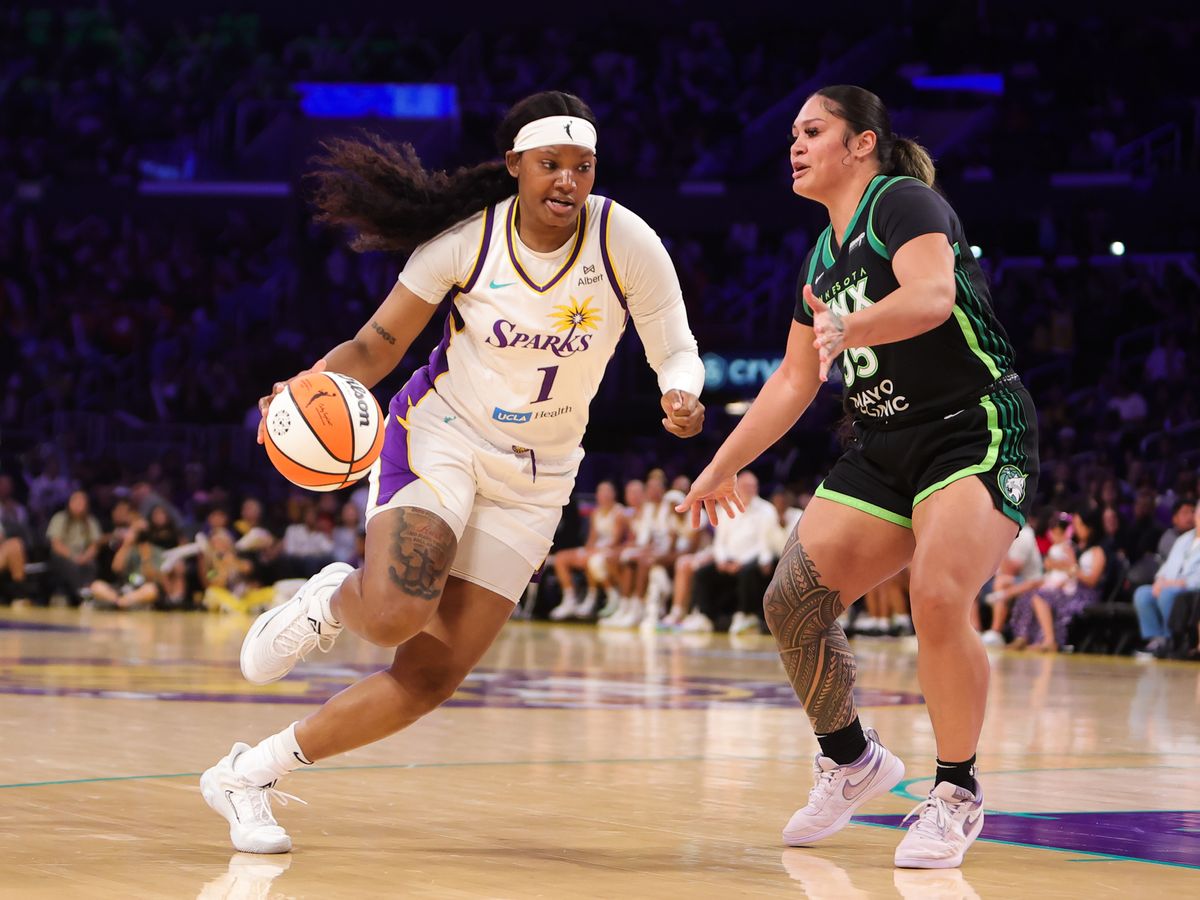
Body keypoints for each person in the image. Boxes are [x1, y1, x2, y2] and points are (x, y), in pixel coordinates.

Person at [200, 90, 706, 853]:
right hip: (442, 437)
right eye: (550, 165)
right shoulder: (466, 242)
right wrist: (306, 386)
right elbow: (376, 346)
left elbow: (675, 344)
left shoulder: (624, 239)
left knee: (428, 679)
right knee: (398, 610)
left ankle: (249, 774)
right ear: (514, 167)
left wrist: (683, 391)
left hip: (540, 476)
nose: (567, 180)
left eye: (582, 166)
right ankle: (334, 597)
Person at [676, 85, 1038, 869]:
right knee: (790, 602)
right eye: (792, 136)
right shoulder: (819, 255)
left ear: (862, 143)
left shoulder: (900, 202)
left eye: (813, 131)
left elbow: (935, 296)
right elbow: (793, 381)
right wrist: (720, 464)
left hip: (971, 426)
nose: (796, 146)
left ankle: (955, 791)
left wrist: (853, 324)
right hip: (882, 442)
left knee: (938, 594)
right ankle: (851, 759)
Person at [1010, 507, 1106, 653]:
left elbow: (1091, 581)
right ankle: (1024, 637)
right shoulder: (1076, 547)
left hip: (1083, 593)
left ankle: (1049, 641)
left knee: (1041, 597)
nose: (1076, 529)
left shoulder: (1098, 551)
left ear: (1090, 527)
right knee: (1029, 596)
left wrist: (1070, 567)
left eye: (1079, 525)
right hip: (1068, 587)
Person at [547, 480, 626, 620]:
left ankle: (592, 597)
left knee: (592, 560)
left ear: (614, 494)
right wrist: (589, 549)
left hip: (610, 550)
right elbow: (592, 538)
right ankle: (569, 599)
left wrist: (593, 552)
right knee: (560, 558)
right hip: (596, 550)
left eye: (607, 492)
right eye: (601, 492)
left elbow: (616, 541)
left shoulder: (619, 513)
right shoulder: (595, 512)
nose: (604, 495)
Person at [1132, 501, 1200, 657]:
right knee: (1143, 594)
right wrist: (1160, 580)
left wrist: (1175, 584)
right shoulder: (1183, 540)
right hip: (1170, 583)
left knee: (1167, 594)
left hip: (1191, 587)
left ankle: (1171, 640)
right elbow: (1167, 565)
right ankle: (1156, 639)